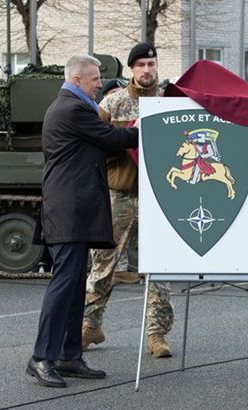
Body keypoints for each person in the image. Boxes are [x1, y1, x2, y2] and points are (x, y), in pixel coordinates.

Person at [27, 54, 138, 388]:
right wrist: (145, 128)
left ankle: (69, 356)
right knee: (63, 287)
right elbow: (112, 140)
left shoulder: (74, 108)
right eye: (93, 79)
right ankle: (41, 358)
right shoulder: (72, 109)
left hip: (75, 212)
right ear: (76, 79)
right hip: (68, 213)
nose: (99, 84)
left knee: (75, 286)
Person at [82, 43, 175, 358]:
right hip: (120, 193)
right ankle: (89, 325)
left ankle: (156, 335)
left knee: (160, 267)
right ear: (132, 70)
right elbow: (92, 144)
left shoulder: (168, 103)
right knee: (104, 263)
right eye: (141, 65)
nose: (147, 70)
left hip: (159, 196)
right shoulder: (113, 103)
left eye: (151, 64)